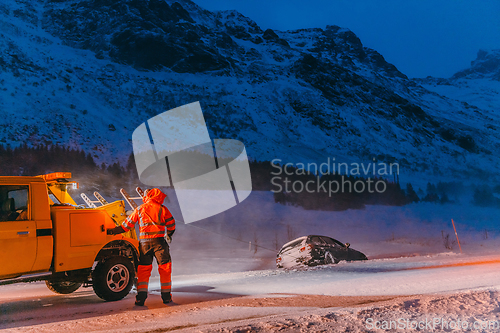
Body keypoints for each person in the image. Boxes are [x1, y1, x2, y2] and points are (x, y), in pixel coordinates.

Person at [107, 188, 175, 306]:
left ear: (147, 196)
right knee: (165, 269)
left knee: (143, 270)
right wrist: (169, 234)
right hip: (160, 243)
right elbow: (172, 224)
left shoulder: (140, 209)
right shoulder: (162, 209)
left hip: (144, 244)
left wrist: (112, 231)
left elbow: (126, 226)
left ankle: (141, 298)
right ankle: (166, 297)